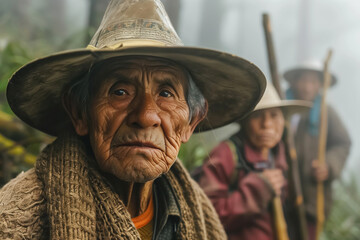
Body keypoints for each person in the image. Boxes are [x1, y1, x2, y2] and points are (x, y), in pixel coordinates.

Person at [0, 0, 267, 239]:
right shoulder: (14, 219)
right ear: (80, 113)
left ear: (191, 122)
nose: (145, 116)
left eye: (165, 93)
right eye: (120, 91)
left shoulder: (199, 216)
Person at [196, 83, 311, 240]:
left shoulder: (280, 153)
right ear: (245, 121)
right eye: (258, 116)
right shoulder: (226, 154)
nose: (267, 124)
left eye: (274, 115)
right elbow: (206, 215)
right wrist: (258, 189)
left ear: (283, 120)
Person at [284, 59, 351, 240]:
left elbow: (343, 143)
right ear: (293, 82)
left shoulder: (326, 112)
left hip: (313, 198)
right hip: (282, 194)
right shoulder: (283, 109)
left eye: (313, 82)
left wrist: (328, 166)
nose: (307, 87)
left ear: (320, 85)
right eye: (303, 81)